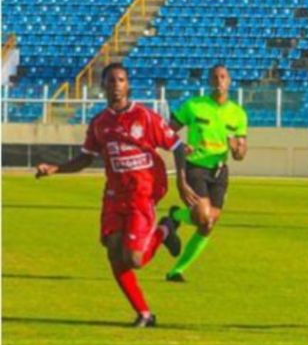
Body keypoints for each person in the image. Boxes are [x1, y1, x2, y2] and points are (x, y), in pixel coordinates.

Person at [35, 63, 190, 327]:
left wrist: (182, 183)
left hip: (142, 193)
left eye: (121, 80)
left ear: (128, 85)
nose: (116, 85)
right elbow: (85, 158)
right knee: (114, 252)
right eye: (111, 80)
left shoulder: (145, 117)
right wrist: (55, 168)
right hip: (114, 195)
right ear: (103, 86)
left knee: (134, 259)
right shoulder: (99, 123)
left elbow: (176, 145)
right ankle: (144, 314)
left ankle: (164, 230)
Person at [164, 65, 248, 282]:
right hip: (195, 167)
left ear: (229, 81)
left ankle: (176, 270)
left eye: (223, 77)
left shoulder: (238, 114)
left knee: (208, 224)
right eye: (215, 77)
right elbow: (167, 131)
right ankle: (174, 217)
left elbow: (241, 153)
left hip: (219, 171)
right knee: (203, 216)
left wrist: (236, 149)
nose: (219, 80)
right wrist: (180, 146)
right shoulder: (194, 106)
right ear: (210, 81)